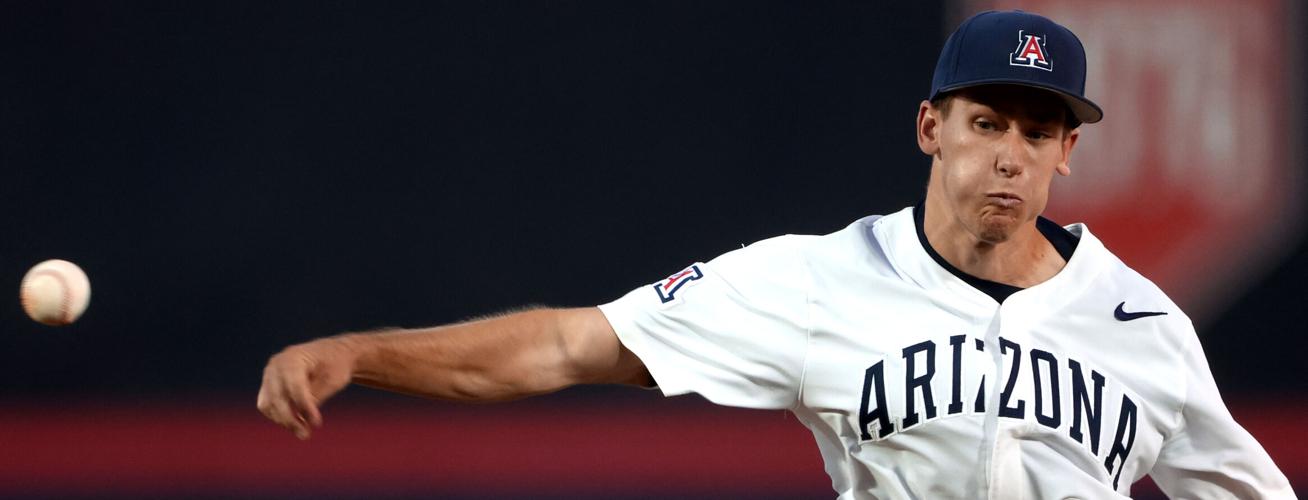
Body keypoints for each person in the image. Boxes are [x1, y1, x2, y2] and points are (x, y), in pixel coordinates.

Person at [257, 10, 1294, 499]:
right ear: (932, 126)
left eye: (1037, 131)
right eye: (989, 121)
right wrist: (362, 353)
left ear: (1070, 152)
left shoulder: (1145, 325)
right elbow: (571, 344)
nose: (1010, 155)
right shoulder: (814, 280)